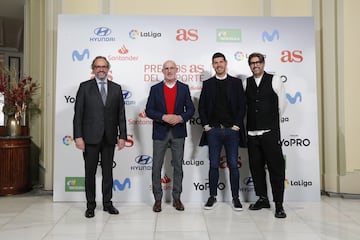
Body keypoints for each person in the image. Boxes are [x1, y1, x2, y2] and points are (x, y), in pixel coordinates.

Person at [73, 56, 127, 218]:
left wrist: (122, 136)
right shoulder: (84, 87)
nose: (101, 69)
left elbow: (121, 115)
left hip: (109, 137)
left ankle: (107, 203)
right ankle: (90, 205)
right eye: (98, 66)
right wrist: (78, 136)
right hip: (90, 138)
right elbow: (78, 115)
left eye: (104, 66)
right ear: (93, 69)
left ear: (108, 69)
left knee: (108, 173)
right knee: (89, 173)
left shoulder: (116, 88)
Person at [198, 52, 246, 211]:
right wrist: (206, 126)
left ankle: (235, 198)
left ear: (226, 63)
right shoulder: (208, 83)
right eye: (215, 62)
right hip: (214, 132)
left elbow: (241, 106)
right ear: (212, 65)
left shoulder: (236, 83)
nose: (218, 65)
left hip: (232, 132)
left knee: (233, 164)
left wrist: (237, 125)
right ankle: (212, 196)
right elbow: (202, 107)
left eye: (221, 62)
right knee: (213, 165)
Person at [145, 60, 195, 213]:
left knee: (178, 167)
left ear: (176, 69)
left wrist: (180, 117)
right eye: (166, 68)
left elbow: (191, 109)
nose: (169, 71)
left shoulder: (184, 88)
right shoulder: (155, 89)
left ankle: (177, 198)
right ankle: (158, 200)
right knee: (156, 167)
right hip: (160, 132)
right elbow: (149, 110)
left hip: (178, 132)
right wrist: (163, 116)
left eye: (171, 68)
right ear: (162, 71)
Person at [244, 52, 287, 218]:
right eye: (252, 63)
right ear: (250, 65)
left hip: (270, 132)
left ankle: (279, 204)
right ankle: (262, 198)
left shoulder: (274, 80)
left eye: (258, 62)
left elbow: (281, 105)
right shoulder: (246, 82)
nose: (255, 65)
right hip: (252, 133)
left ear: (263, 63)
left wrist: (270, 122)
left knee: (276, 169)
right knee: (256, 168)